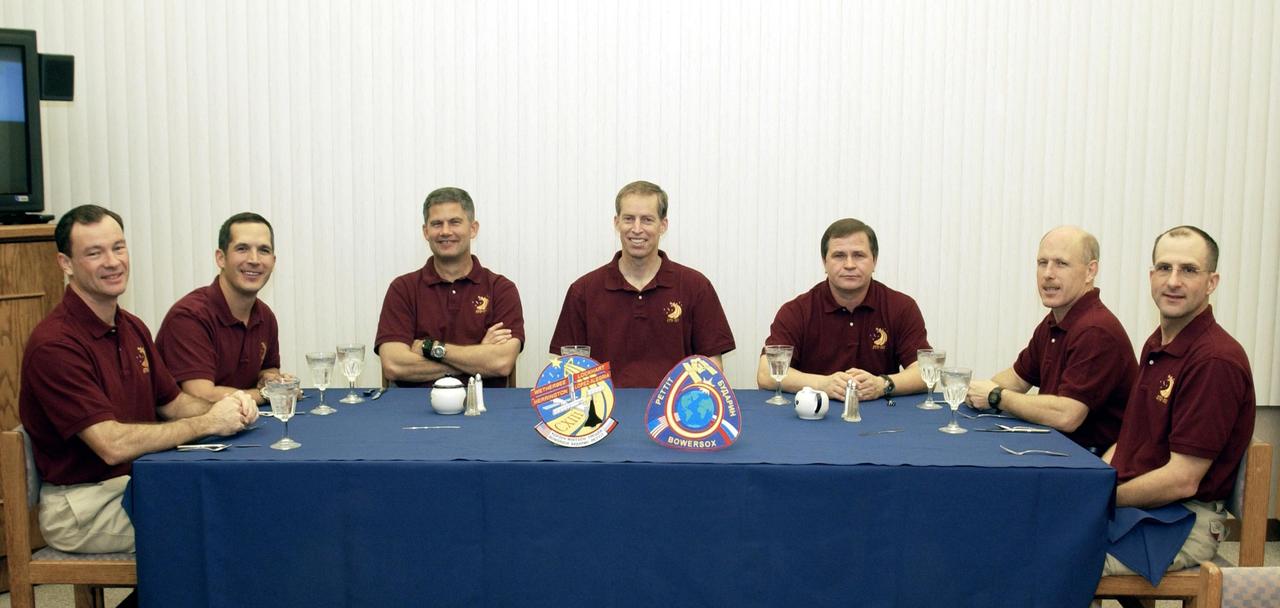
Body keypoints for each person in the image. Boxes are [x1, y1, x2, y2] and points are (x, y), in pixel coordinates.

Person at [19, 205, 257, 555]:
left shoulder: (131, 326)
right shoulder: (55, 344)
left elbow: (173, 403)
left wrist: (229, 408)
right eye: (94, 253)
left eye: (118, 247)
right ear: (65, 264)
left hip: (136, 481)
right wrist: (208, 421)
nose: (113, 261)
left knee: (241, 498)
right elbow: (111, 444)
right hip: (84, 506)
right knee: (225, 527)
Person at [1101, 225, 1255, 575]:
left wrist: (1103, 497)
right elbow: (1129, 440)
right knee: (1047, 534)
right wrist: (1093, 483)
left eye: (1188, 270)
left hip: (1184, 520)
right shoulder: (1159, 344)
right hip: (1148, 506)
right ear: (1151, 275)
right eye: (1164, 268)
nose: (1173, 281)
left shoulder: (1215, 361)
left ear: (1212, 282)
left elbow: (1183, 479)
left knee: (1059, 561)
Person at [965, 226, 1136, 452]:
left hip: (1090, 463)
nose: (1048, 273)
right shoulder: (1055, 321)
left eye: (1061, 263)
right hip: (1056, 449)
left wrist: (996, 396)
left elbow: (1067, 415)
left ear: (1090, 271)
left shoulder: (1095, 330)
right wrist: (974, 393)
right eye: (1042, 263)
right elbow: (1017, 379)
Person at [550, 180, 735, 388]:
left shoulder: (696, 286)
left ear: (663, 225)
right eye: (629, 219)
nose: (637, 229)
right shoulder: (583, 291)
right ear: (616, 222)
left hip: (674, 414)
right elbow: (565, 368)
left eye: (647, 220)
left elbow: (713, 365)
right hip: (604, 413)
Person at [756, 218, 928, 401]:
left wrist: (882, 384)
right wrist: (823, 385)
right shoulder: (797, 311)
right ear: (824, 262)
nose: (849, 265)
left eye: (859, 255)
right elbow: (766, 374)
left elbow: (926, 373)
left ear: (874, 261)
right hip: (813, 419)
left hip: (881, 418)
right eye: (839, 256)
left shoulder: (901, 307)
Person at [376, 187, 524, 387]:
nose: (445, 231)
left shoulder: (501, 289)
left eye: (455, 222)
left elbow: (501, 363)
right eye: (437, 224)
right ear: (426, 232)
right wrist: (479, 356)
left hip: (485, 410)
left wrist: (431, 348)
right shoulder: (402, 289)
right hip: (412, 412)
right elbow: (394, 365)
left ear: (473, 229)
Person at [156, 212, 281, 404]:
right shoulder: (189, 317)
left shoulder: (265, 316)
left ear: (273, 261)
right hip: (197, 432)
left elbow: (269, 369)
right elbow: (200, 395)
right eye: (242, 248)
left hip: (245, 427)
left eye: (263, 250)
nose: (254, 259)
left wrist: (270, 379)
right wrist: (270, 394)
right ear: (221, 258)